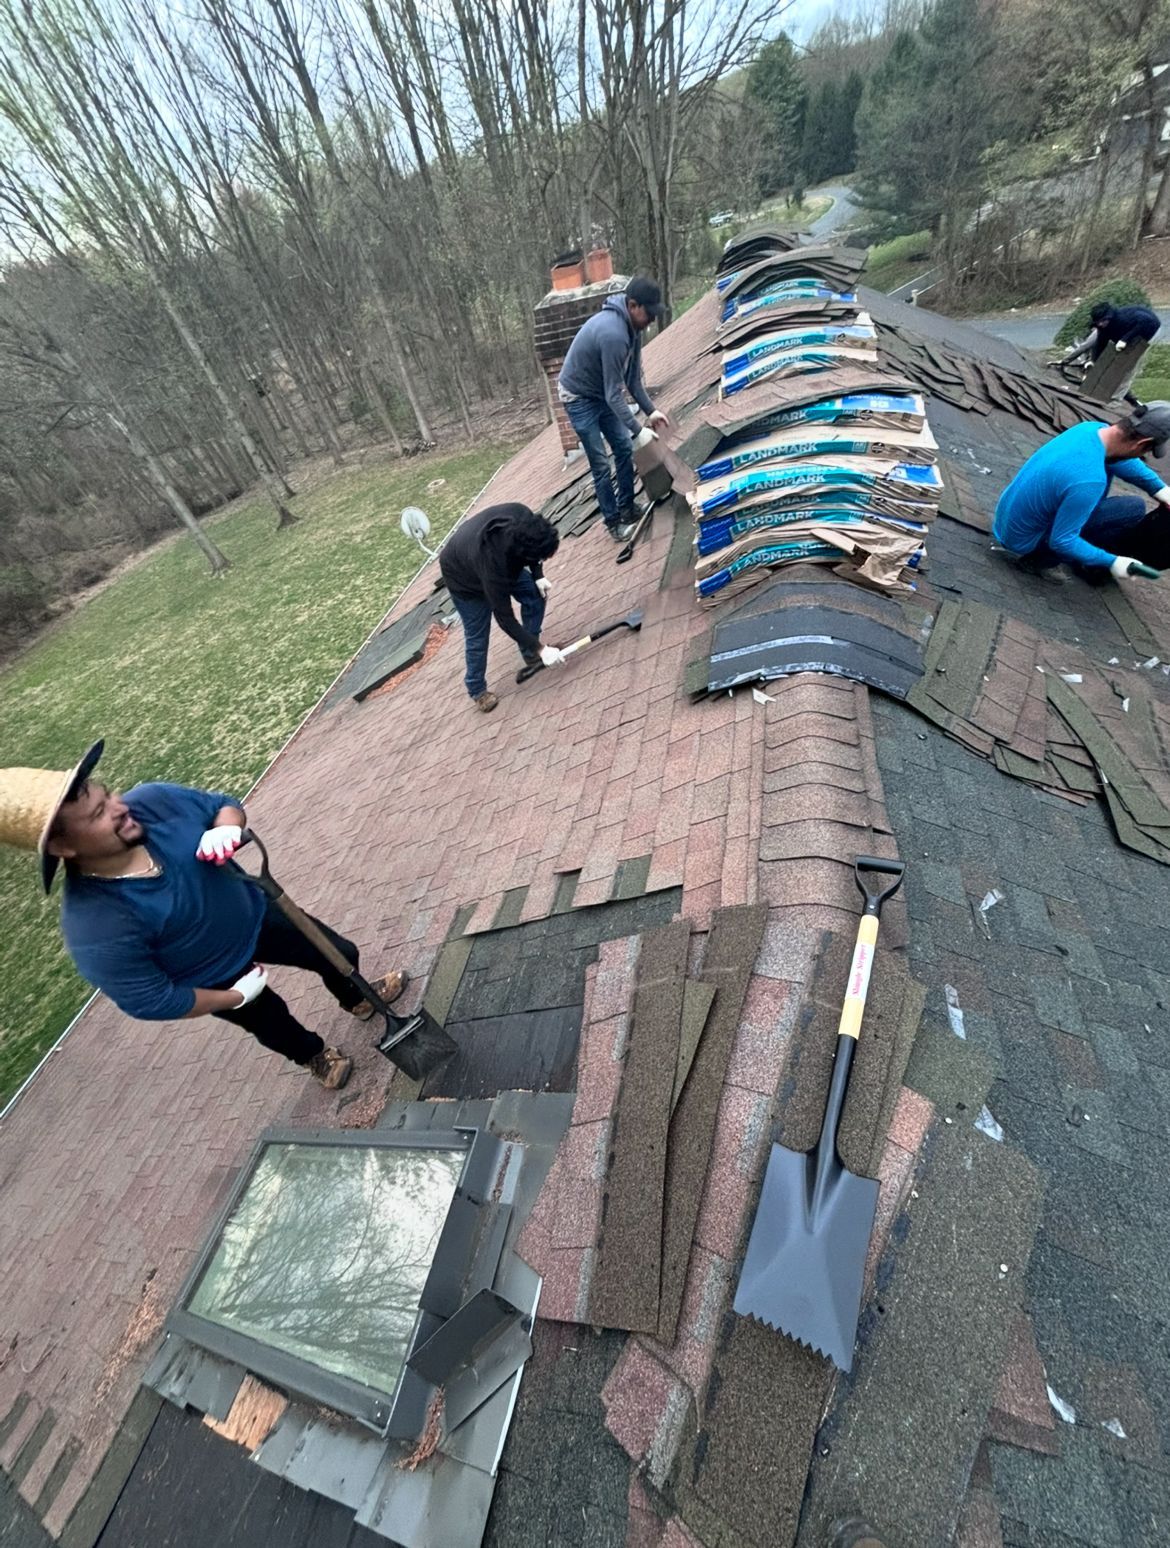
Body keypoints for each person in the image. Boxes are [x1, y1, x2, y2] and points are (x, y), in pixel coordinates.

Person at [0, 742, 410, 1090]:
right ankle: (314, 1056)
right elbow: (151, 999)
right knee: (274, 1025)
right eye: (97, 815)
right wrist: (234, 997)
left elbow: (222, 806)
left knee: (339, 952)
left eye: (107, 795)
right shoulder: (93, 925)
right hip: (214, 975)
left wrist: (227, 827)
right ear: (63, 848)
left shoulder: (152, 802)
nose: (120, 808)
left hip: (257, 912)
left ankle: (357, 998)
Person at [993, 401, 1170, 580]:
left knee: (1131, 505)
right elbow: (1062, 541)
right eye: (1146, 451)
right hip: (1023, 541)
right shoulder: (1089, 481)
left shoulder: (1090, 429)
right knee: (1131, 510)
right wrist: (1112, 561)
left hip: (1007, 520)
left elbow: (1123, 461)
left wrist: (1160, 489)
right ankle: (1038, 561)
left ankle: (1082, 551)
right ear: (1142, 443)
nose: (1142, 456)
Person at [557, 276, 673, 542]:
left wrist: (650, 411)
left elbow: (632, 381)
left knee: (622, 446)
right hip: (578, 397)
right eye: (649, 313)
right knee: (600, 463)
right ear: (633, 305)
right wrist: (638, 430)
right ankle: (614, 524)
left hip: (600, 392)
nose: (652, 320)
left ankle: (627, 508)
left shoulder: (633, 330)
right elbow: (613, 393)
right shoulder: (614, 335)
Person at [439, 502, 564, 712]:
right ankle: (477, 689)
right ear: (526, 554)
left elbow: (536, 550)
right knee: (477, 635)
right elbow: (505, 619)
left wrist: (538, 575)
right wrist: (543, 648)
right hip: (463, 578)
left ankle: (530, 652)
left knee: (535, 595)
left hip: (488, 557)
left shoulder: (524, 517)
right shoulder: (494, 565)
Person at [1060, 300, 1160, 370]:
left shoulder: (1123, 318)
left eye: (1103, 321)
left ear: (1108, 318)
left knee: (1126, 359)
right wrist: (1094, 360)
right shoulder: (1102, 328)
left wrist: (1125, 339)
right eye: (1098, 323)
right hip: (1121, 333)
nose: (1100, 324)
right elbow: (1100, 343)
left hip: (1147, 327)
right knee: (1098, 345)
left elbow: (1147, 321)